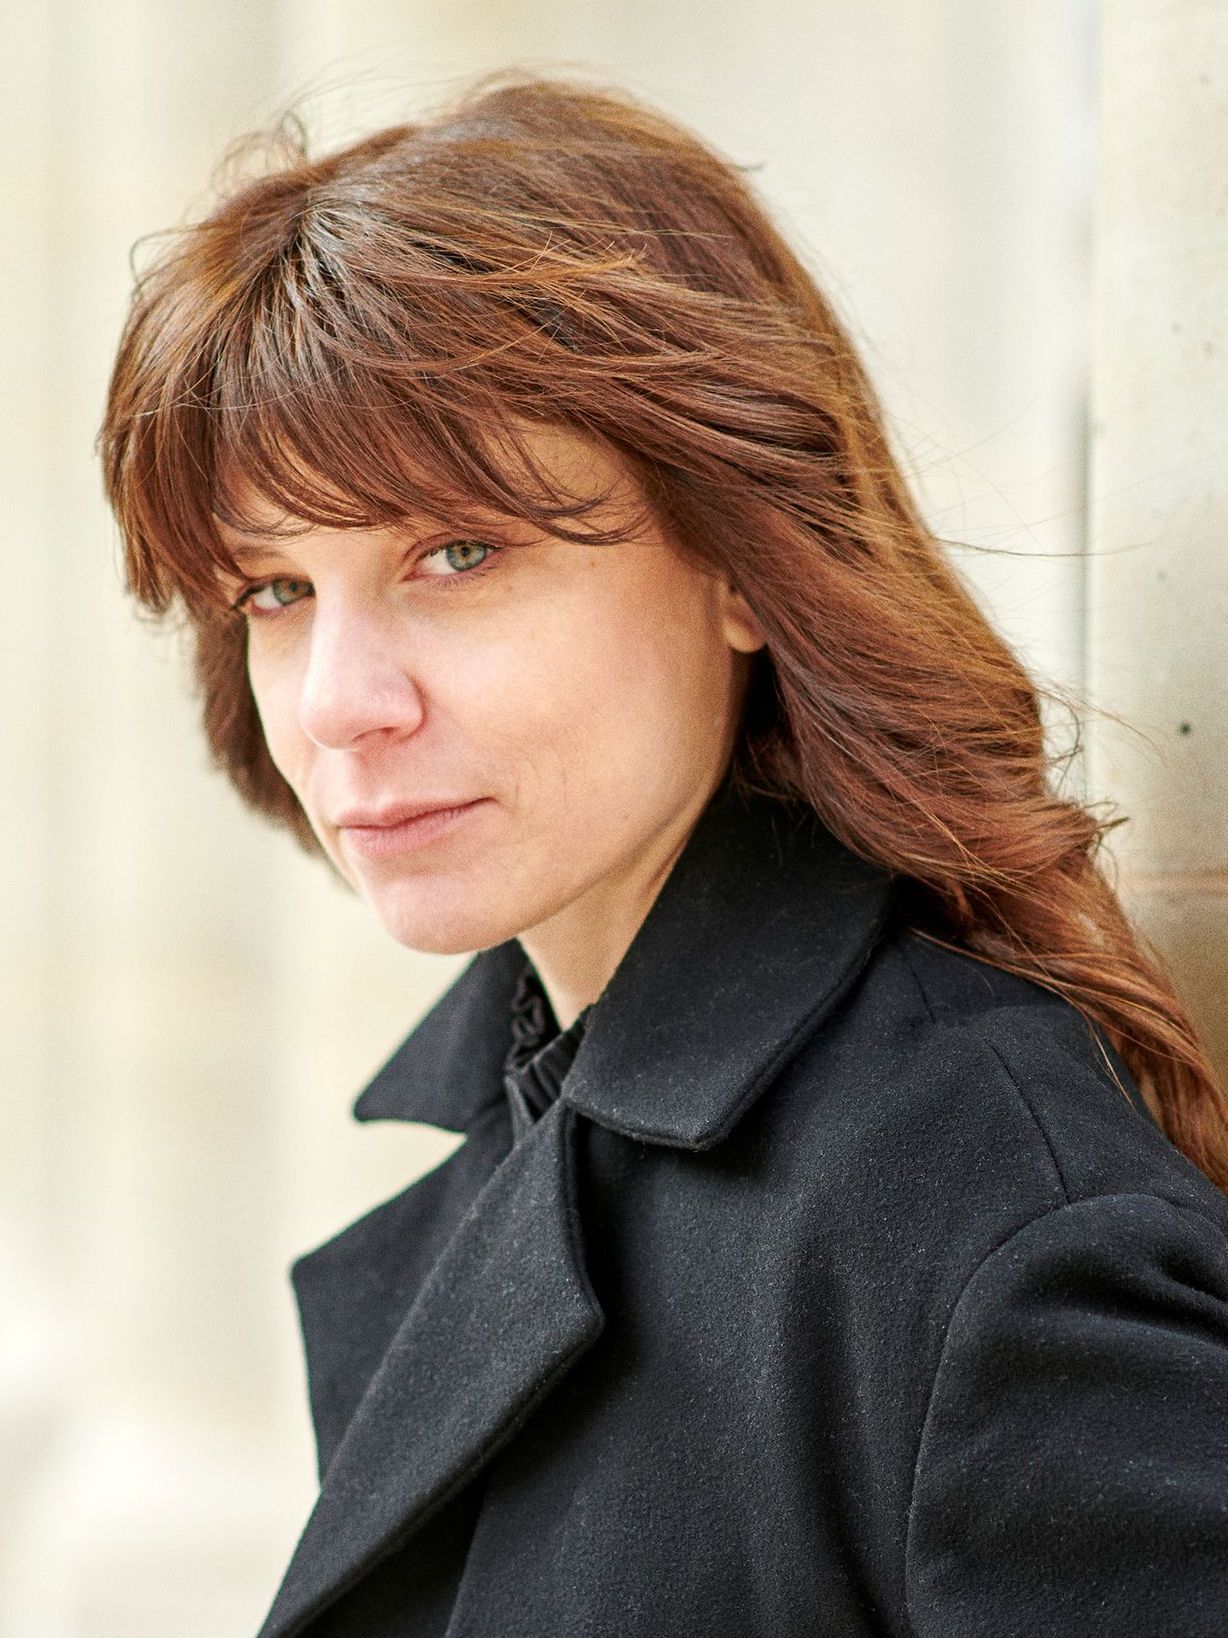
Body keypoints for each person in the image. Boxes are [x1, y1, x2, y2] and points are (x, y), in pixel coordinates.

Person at [99, 74, 1228, 1638]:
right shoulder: (545, 1103)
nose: (341, 702)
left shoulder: (989, 1232)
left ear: (743, 566)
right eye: (275, 591)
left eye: (457, 552)